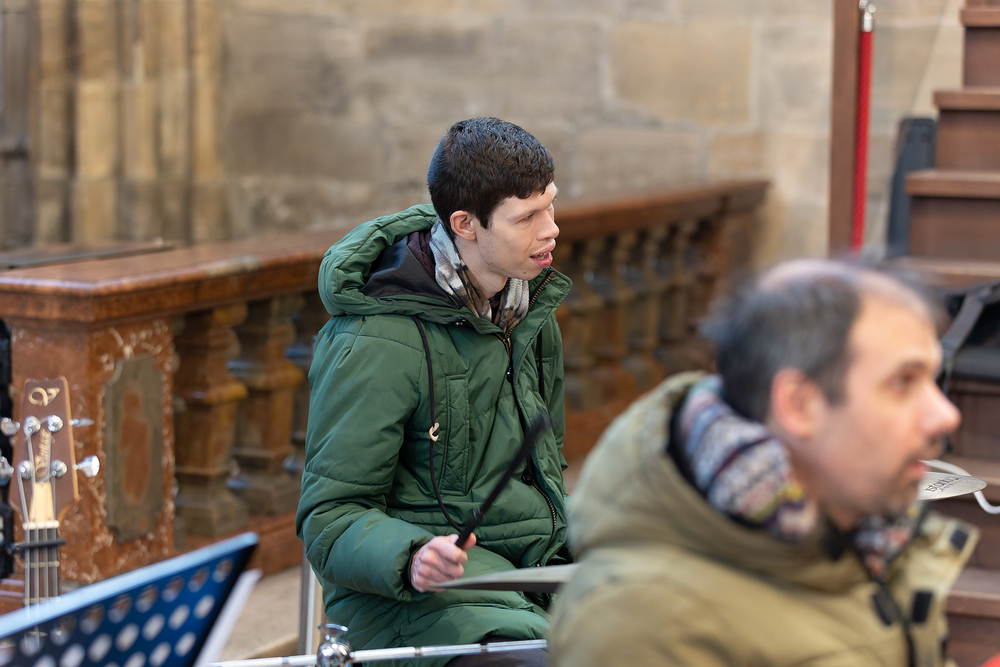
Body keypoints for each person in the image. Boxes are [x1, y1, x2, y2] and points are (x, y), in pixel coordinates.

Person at [548, 259, 977, 667]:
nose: (945, 415)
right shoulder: (645, 624)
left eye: (932, 379)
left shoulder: (867, 539)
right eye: (903, 382)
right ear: (798, 404)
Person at [296, 117, 572, 667]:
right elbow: (329, 518)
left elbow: (546, 473)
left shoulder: (530, 314)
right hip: (412, 598)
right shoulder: (376, 339)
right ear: (466, 224)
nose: (552, 230)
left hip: (531, 575)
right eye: (527, 217)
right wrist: (412, 556)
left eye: (550, 206)